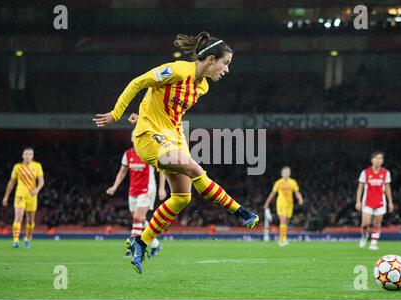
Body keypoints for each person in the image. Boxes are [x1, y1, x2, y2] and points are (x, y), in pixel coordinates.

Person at [93, 31, 259, 273]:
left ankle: (141, 242)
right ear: (211, 59)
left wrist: (145, 116)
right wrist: (117, 114)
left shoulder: (203, 88)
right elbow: (138, 83)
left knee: (182, 197)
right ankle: (240, 211)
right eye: (226, 63)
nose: (227, 70)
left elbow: (166, 108)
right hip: (149, 138)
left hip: (172, 136)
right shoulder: (177, 70)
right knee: (194, 168)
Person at [106, 129, 167, 257]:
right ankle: (155, 243)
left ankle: (135, 246)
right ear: (133, 139)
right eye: (136, 137)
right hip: (133, 190)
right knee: (140, 219)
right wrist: (114, 186)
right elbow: (122, 172)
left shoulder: (148, 153)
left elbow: (162, 170)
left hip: (148, 189)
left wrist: (162, 188)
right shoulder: (128, 154)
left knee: (137, 218)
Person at [2, 147, 44, 248]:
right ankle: (15, 240)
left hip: (32, 196)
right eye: (26, 154)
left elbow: (41, 181)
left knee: (30, 221)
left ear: (32, 156)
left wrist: (37, 189)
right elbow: (12, 182)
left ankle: (27, 238)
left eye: (30, 154)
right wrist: (6, 196)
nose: (28, 156)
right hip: (20, 195)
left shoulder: (37, 166)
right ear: (22, 155)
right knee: (18, 217)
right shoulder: (17, 167)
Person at [355, 151, 394, 250]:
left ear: (382, 161)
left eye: (380, 158)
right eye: (376, 158)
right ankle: (364, 236)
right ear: (372, 160)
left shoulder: (386, 173)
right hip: (367, 202)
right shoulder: (365, 172)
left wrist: (390, 202)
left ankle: (373, 243)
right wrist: (358, 201)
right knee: (365, 224)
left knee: (377, 223)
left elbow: (388, 187)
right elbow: (360, 187)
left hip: (380, 202)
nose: (378, 160)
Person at [263, 166, 303, 246]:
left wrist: (300, 198)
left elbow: (297, 192)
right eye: (284, 172)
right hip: (281, 203)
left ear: (289, 174)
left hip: (290, 204)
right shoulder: (278, 183)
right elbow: (273, 193)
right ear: (281, 174)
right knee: (283, 220)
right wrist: (267, 203)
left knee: (286, 222)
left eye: (287, 172)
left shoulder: (293, 182)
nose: (286, 174)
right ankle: (284, 239)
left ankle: (281, 238)